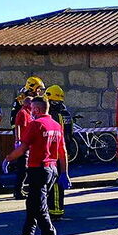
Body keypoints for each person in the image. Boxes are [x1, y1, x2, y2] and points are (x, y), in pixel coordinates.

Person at [5, 96, 69, 235]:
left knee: (40, 209)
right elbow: (63, 152)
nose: (30, 112)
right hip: (51, 169)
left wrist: (8, 159)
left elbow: (23, 147)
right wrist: (64, 173)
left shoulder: (36, 124)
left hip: (38, 170)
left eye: (32, 109)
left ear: (37, 110)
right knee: (32, 202)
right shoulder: (55, 125)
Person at [45, 85, 72, 220]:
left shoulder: (54, 114)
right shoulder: (65, 112)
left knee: (55, 184)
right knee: (56, 182)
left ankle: (55, 211)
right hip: (63, 151)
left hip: (54, 152)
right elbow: (69, 134)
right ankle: (54, 209)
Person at [12, 95, 33, 200]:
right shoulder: (23, 113)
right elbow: (18, 126)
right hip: (23, 145)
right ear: (28, 103)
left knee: (25, 168)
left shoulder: (29, 113)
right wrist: (18, 141)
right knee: (22, 169)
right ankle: (17, 191)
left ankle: (20, 188)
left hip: (27, 144)